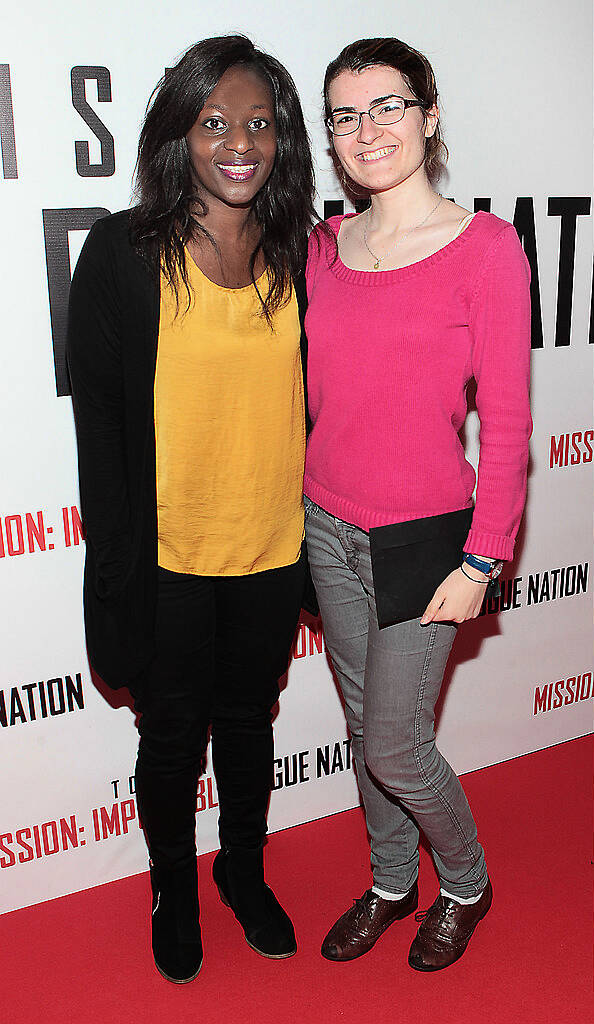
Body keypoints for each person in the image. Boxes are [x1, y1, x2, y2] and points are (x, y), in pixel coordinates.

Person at [67, 35, 318, 983]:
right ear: (181, 132)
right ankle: (174, 884)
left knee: (250, 723)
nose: (239, 142)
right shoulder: (124, 254)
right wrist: (117, 580)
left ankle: (242, 873)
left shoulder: (302, 253)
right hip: (168, 560)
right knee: (172, 739)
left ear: (282, 140)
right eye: (215, 121)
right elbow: (103, 440)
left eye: (259, 123)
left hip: (268, 549)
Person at [304, 37, 531, 971]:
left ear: (429, 116)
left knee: (398, 746)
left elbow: (510, 425)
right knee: (366, 731)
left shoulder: (486, 249)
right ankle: (394, 880)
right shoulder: (322, 244)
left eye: (388, 105)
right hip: (325, 524)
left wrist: (484, 561)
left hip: (428, 541)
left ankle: (467, 884)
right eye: (346, 115)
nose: (368, 129)